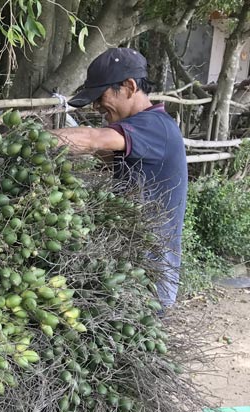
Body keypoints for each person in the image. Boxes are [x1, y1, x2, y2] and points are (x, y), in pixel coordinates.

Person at [52, 47, 188, 308]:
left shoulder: (154, 127)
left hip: (148, 277)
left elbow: (94, 139)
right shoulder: (141, 131)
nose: (96, 106)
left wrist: (22, 137)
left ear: (129, 86)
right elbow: (107, 155)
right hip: (131, 266)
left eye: (100, 96)